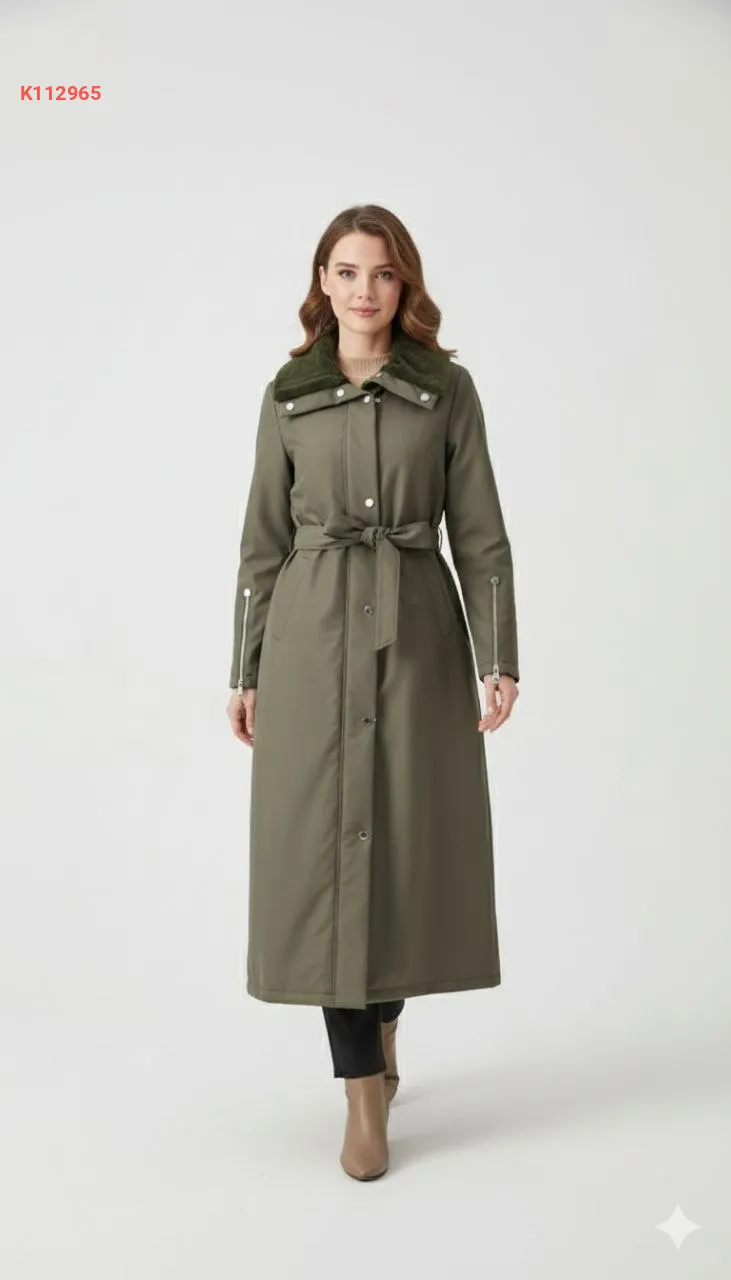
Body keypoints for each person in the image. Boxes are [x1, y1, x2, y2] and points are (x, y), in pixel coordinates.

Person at [225, 204, 520, 1181]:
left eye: (382, 273)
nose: (364, 290)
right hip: (309, 642)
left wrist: (497, 654)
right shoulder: (288, 394)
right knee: (319, 855)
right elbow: (261, 541)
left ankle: (385, 1030)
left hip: (416, 636)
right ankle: (361, 1089)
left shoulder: (445, 391)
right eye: (346, 272)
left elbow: (479, 532)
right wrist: (245, 668)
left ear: (404, 285)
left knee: (397, 843)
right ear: (322, 280)